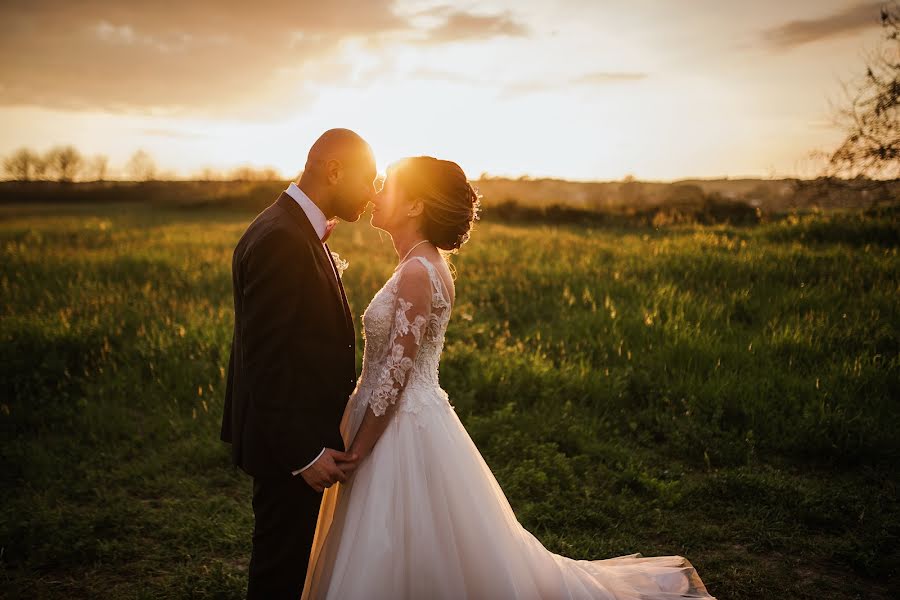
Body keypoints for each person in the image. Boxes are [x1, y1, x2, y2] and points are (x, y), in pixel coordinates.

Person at [301, 156, 715, 599]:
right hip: (406, 418)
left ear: (415, 206)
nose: (376, 193)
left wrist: (359, 450)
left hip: (399, 427)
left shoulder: (419, 273)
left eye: (388, 187)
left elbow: (396, 375)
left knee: (401, 536)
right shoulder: (420, 265)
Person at [220, 129, 377, 599]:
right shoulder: (281, 239)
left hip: (292, 436)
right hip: (287, 446)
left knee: (288, 567)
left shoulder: (290, 227)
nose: (372, 194)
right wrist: (303, 455)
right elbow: (265, 361)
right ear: (333, 170)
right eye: (367, 180)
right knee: (279, 573)